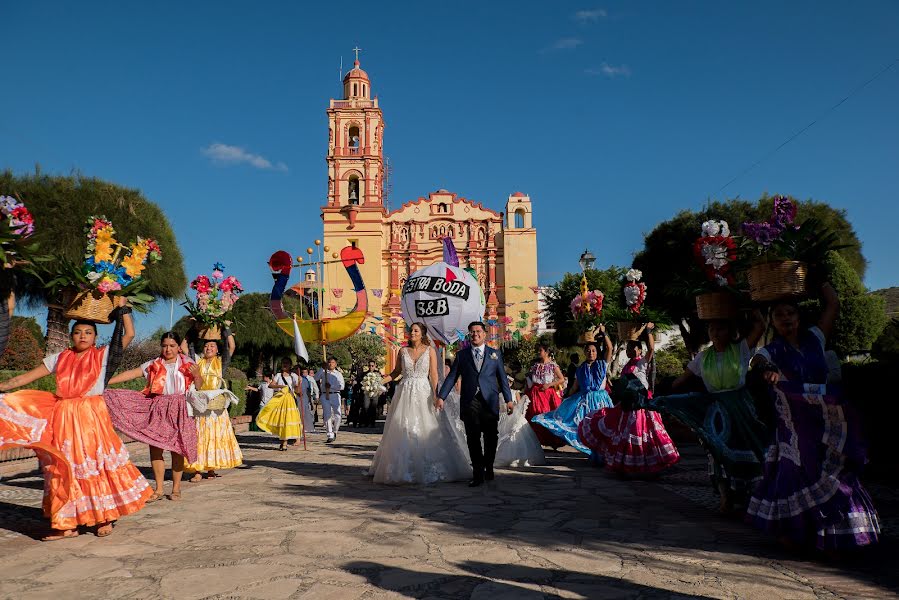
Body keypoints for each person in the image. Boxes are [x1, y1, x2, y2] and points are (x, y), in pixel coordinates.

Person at [746, 284, 880, 552]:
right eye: (779, 315)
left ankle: (834, 534)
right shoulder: (771, 351)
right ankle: (792, 531)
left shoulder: (815, 338)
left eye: (790, 313)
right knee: (795, 471)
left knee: (833, 471)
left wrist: (819, 277)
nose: (786, 318)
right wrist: (769, 370)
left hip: (825, 421)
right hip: (793, 427)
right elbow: (757, 363)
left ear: (798, 316)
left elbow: (833, 304)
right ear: (772, 321)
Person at [0, 306, 152, 540]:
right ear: (71, 336)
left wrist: (124, 308)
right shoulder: (58, 358)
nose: (82, 336)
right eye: (78, 332)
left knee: (95, 464)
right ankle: (67, 522)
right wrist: (4, 387)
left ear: (95, 337)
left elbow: (128, 334)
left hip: (91, 417)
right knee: (65, 467)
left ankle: (104, 517)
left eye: (88, 332)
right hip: (64, 418)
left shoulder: (102, 356)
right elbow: (25, 377)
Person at [656, 311, 768, 512]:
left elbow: (760, 326)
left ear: (730, 331)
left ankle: (753, 495)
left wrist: (747, 305)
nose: (715, 333)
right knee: (716, 452)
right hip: (716, 410)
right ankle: (725, 496)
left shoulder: (741, 349)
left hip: (741, 408)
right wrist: (661, 395)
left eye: (721, 328)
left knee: (746, 450)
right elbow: (682, 379)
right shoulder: (702, 357)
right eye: (712, 328)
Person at [369, 323, 470, 484]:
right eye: (411, 330)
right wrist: (377, 381)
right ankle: (402, 467)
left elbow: (434, 375)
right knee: (402, 427)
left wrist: (438, 395)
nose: (412, 333)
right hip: (405, 392)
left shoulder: (430, 351)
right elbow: (396, 372)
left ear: (422, 334)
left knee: (427, 426)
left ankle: (431, 465)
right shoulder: (402, 351)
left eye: (416, 330)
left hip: (424, 392)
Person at [106, 331, 198, 502]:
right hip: (159, 407)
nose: (168, 349)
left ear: (179, 347)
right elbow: (133, 373)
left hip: (180, 408)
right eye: (164, 346)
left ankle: (176, 488)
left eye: (172, 346)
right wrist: (105, 382)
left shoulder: (188, 363)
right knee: (155, 448)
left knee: (177, 449)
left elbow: (199, 385)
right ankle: (159, 488)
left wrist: (198, 375)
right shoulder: (154, 364)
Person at [579, 324, 680, 474]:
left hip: (642, 403)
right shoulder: (626, 365)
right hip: (629, 403)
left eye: (634, 347)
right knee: (628, 433)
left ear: (640, 350)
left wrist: (648, 332)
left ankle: (654, 462)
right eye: (628, 348)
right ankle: (632, 464)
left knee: (646, 433)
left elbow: (651, 348)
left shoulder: (642, 362)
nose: (630, 350)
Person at [438, 321, 514, 487]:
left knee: (491, 437)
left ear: (485, 334)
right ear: (469, 335)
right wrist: (441, 396)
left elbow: (502, 378)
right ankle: (477, 473)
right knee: (472, 438)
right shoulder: (462, 355)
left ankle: (488, 465)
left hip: (490, 401)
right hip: (470, 400)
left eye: (478, 331)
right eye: (472, 332)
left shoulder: (495, 354)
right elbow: (452, 377)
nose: (475, 334)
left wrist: (509, 400)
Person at [532, 328, 614, 454]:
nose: (591, 353)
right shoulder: (580, 369)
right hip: (586, 401)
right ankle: (593, 453)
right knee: (587, 427)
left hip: (601, 401)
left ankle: (603, 453)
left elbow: (610, 348)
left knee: (603, 427)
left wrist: (604, 333)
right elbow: (575, 387)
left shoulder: (603, 364)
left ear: (597, 353)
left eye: (593, 351)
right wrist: (565, 398)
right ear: (584, 352)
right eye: (588, 351)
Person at [183, 336, 243, 482]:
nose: (209, 348)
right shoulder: (197, 361)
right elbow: (184, 346)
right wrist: (193, 329)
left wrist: (225, 328)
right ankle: (197, 470)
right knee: (199, 437)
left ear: (217, 350)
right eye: (206, 346)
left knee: (215, 437)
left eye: (212, 346)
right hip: (200, 405)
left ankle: (211, 468)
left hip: (216, 406)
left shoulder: (220, 363)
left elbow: (232, 346)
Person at [255, 358, 302, 450]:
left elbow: (298, 391)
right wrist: (281, 386)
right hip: (280, 400)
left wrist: (298, 383)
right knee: (281, 420)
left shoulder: (294, 376)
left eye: (287, 363)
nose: (285, 365)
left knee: (287, 421)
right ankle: (283, 442)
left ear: (290, 365)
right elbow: (271, 385)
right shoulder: (278, 375)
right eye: (283, 363)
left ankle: (285, 442)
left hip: (290, 401)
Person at [525, 343, 565, 448]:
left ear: (547, 352)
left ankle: (551, 440)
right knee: (535, 415)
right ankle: (538, 440)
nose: (539, 352)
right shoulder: (535, 366)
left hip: (547, 394)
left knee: (547, 415)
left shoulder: (553, 365)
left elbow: (561, 379)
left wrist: (549, 385)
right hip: (535, 394)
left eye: (541, 350)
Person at [316, 357, 345, 443]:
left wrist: (331, 386)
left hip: (335, 394)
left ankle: (335, 430)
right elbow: (315, 378)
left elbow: (342, 386)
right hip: (325, 395)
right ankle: (330, 433)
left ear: (335, 364)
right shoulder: (323, 372)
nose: (330, 364)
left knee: (338, 414)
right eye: (329, 362)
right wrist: (322, 368)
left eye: (332, 362)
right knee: (327, 414)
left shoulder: (338, 374)